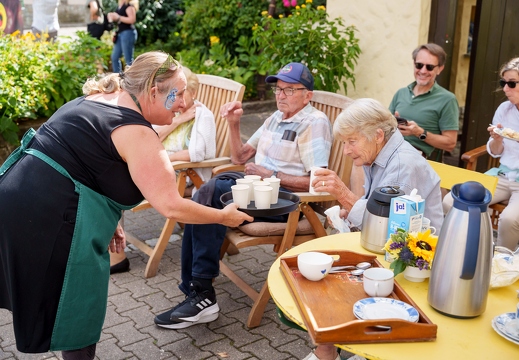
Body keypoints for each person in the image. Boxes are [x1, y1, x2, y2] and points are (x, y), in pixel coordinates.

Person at [0, 51, 251, 359]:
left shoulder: (101, 98)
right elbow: (171, 206)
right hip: (46, 215)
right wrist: (223, 217)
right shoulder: (138, 133)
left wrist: (112, 220)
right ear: (154, 91)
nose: (186, 103)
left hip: (12, 198)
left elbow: (89, 165)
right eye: (180, 93)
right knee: (77, 307)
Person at [153, 62, 333, 330]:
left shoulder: (313, 122)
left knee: (210, 194)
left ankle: (200, 294)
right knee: (205, 193)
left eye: (289, 90)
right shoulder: (275, 118)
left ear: (308, 95)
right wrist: (234, 124)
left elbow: (317, 183)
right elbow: (239, 157)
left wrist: (270, 173)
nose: (280, 95)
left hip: (285, 200)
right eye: (278, 89)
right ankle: (198, 291)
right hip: (256, 187)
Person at [306, 98, 444, 360]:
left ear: (378, 135)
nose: (346, 151)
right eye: (344, 142)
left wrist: (344, 194)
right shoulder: (380, 155)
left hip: (416, 265)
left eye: (352, 141)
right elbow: (375, 209)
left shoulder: (401, 164)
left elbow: (389, 228)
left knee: (335, 282)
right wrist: (352, 208)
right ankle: (334, 345)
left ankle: (351, 346)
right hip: (391, 251)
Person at [109, 66, 217, 274]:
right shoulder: (170, 114)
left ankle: (116, 255)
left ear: (193, 93)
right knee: (114, 177)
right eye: (178, 94)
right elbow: (152, 137)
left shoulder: (202, 117)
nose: (182, 101)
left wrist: (165, 158)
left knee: (116, 182)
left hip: (183, 174)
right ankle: (115, 253)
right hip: (163, 167)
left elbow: (197, 154)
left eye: (185, 93)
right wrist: (178, 120)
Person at [444, 57, 519, 251]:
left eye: (512, 83)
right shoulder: (504, 109)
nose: (505, 89)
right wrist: (497, 138)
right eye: (504, 83)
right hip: (502, 175)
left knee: (509, 219)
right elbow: (495, 153)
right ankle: (470, 250)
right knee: (451, 200)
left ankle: (502, 265)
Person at [389, 43, 459, 162]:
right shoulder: (401, 93)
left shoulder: (447, 99)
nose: (423, 71)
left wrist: (419, 132)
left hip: (418, 159)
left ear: (440, 69)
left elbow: (450, 143)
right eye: (419, 65)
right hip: (391, 151)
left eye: (429, 67)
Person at [108, 0, 138, 73]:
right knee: (114, 57)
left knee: (128, 59)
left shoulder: (128, 6)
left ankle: (132, 79)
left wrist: (118, 17)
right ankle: (117, 79)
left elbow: (132, 19)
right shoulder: (119, 6)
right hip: (120, 34)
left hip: (128, 33)